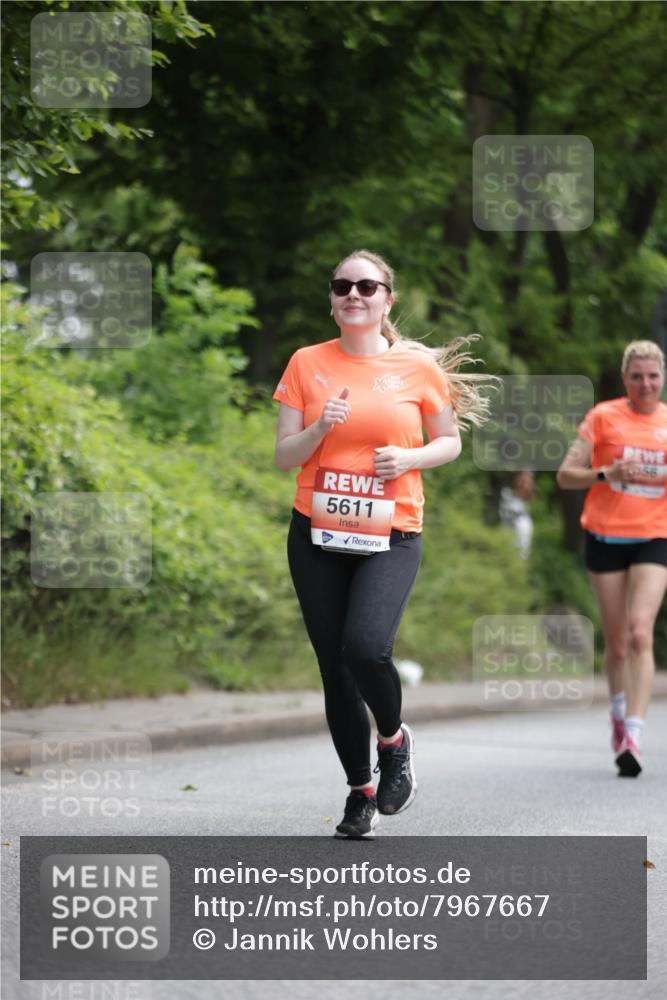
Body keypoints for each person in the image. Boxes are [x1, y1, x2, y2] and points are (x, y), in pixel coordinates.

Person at [273, 248, 493, 837]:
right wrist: (320, 428)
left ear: (386, 300)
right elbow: (284, 455)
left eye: (367, 286)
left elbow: (449, 441)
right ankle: (359, 791)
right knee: (335, 669)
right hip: (316, 531)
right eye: (342, 285)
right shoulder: (306, 363)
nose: (353, 294)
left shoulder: (416, 369)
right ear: (331, 299)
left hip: (392, 531)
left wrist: (409, 457)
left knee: (366, 648)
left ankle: (393, 741)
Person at [556, 341, 667, 777]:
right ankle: (618, 715)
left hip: (655, 537)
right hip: (606, 536)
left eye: (653, 376)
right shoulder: (603, 416)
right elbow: (566, 476)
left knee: (640, 633)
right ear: (625, 379)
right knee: (618, 643)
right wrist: (607, 473)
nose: (645, 384)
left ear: (662, 378)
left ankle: (633, 735)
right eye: (637, 376)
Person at [499, 470, 535, 559]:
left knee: (521, 554)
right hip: (507, 531)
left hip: (522, 531)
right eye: (522, 481)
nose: (525, 485)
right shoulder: (506, 494)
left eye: (528, 483)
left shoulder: (526, 502)